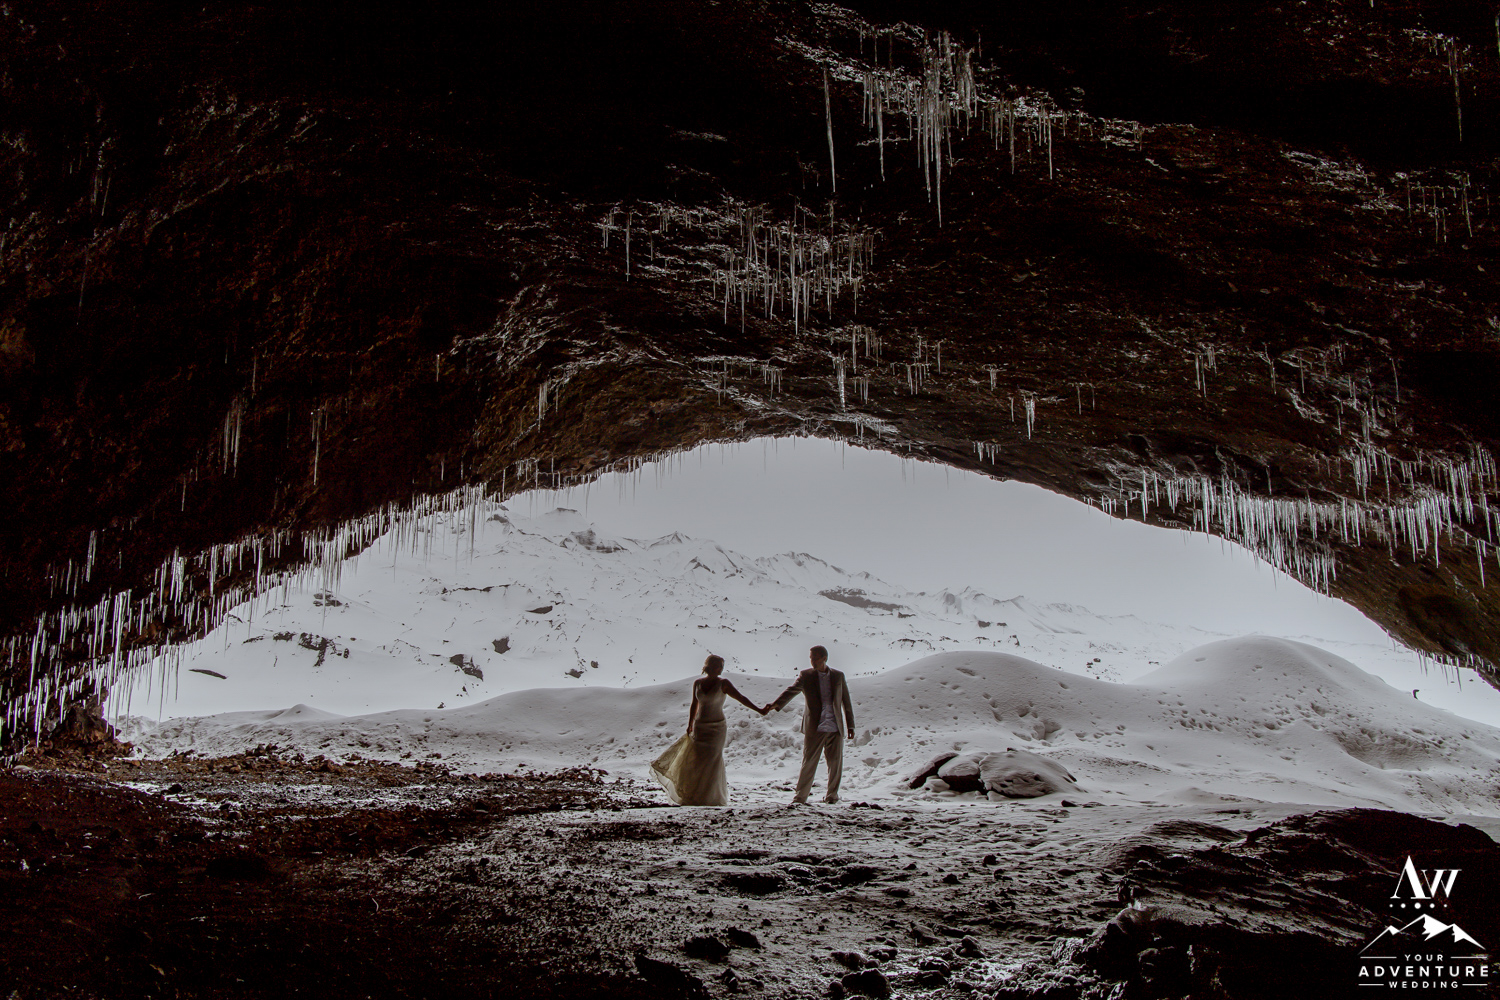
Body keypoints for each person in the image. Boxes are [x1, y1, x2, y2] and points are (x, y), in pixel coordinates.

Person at [651, 654, 766, 806]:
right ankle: (694, 795)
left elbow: (741, 698)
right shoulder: (698, 683)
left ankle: (710, 797)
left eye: (722, 667)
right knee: (698, 760)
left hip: (717, 728)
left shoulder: (724, 683)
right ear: (711, 666)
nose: (721, 669)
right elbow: (694, 704)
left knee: (712, 760)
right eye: (719, 666)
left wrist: (759, 710)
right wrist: (690, 724)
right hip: (700, 726)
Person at [764, 645, 855, 804]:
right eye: (811, 658)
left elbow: (846, 701)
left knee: (835, 764)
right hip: (815, 726)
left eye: (815, 658)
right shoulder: (806, 675)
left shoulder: (838, 676)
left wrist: (850, 725)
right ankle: (800, 797)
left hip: (835, 727)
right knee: (809, 762)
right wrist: (776, 704)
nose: (812, 661)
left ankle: (832, 796)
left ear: (824, 658)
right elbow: (792, 690)